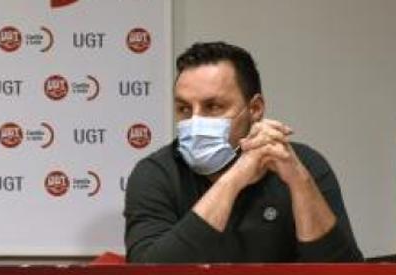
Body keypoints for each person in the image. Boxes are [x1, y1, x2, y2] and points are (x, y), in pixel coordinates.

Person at [124, 41, 361, 263]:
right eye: (184, 108)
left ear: (255, 108)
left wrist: (300, 183)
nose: (195, 122)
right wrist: (235, 178)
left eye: (213, 106)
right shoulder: (155, 174)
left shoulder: (303, 164)